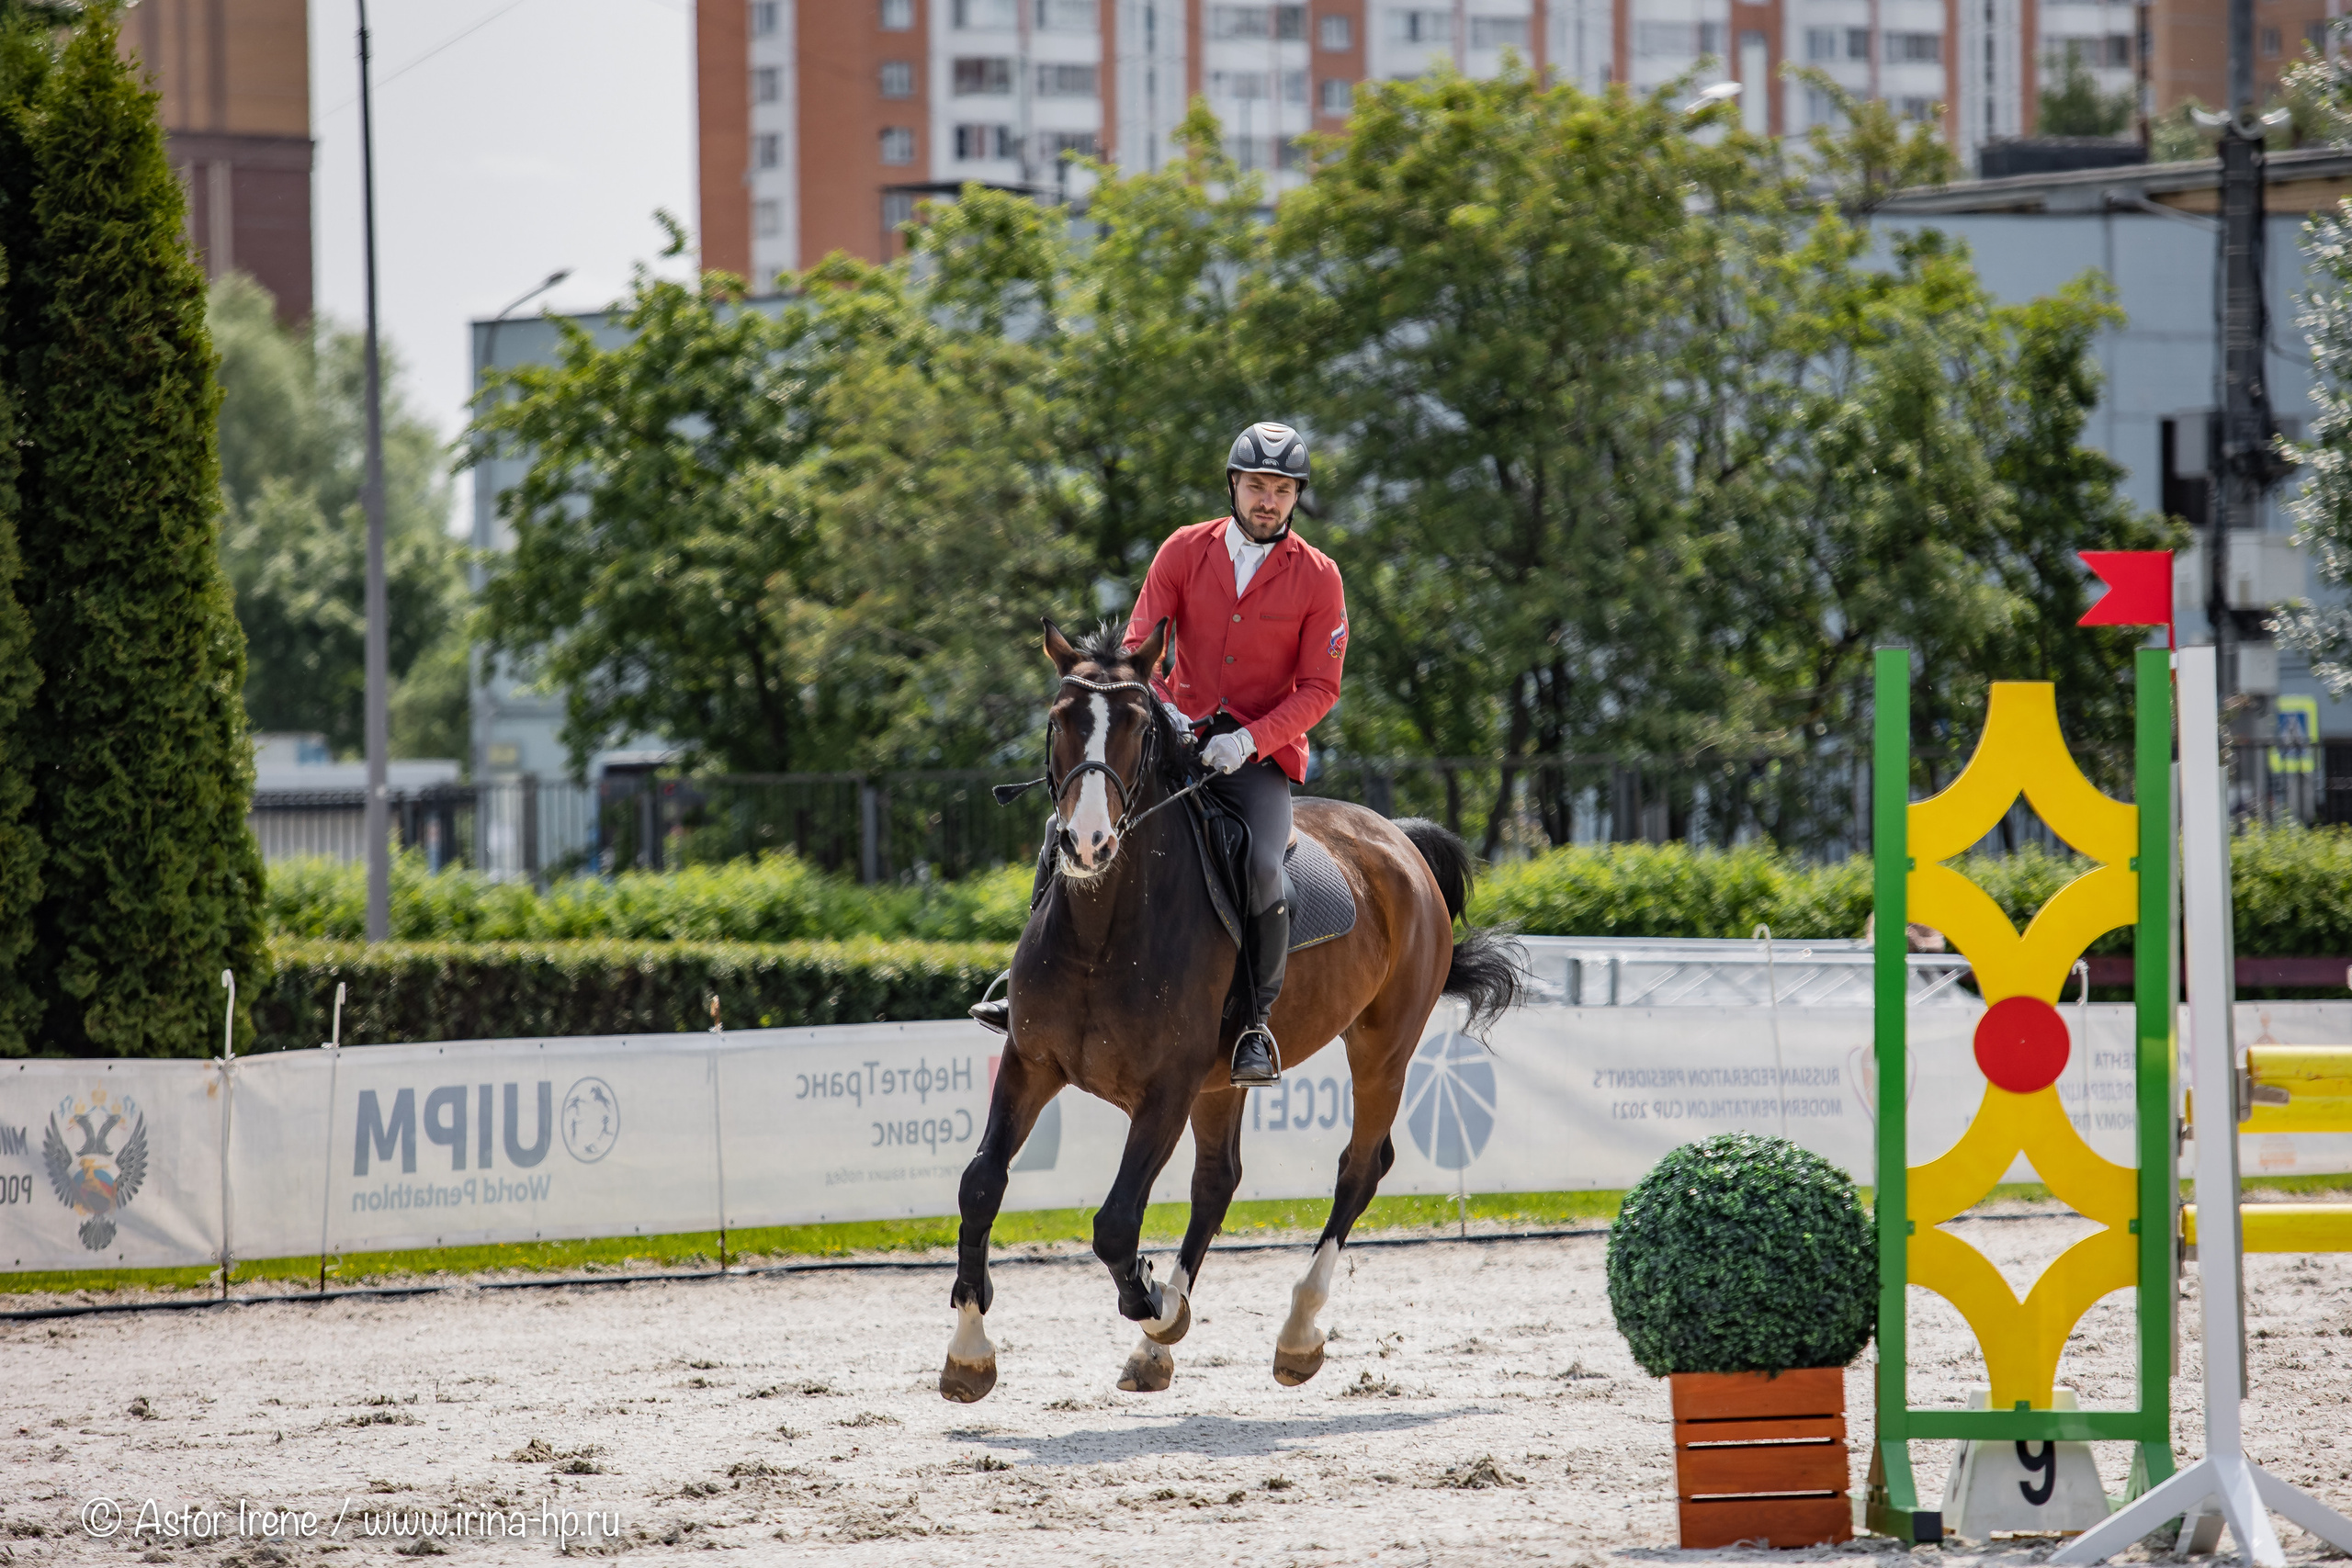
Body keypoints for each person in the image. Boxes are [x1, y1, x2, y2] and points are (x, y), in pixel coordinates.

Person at [972, 421, 1350, 1089]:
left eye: (1282, 489)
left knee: (1265, 865)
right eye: (1257, 485)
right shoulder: (1183, 549)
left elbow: (1321, 687)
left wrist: (1250, 739)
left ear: (1296, 497)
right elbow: (1140, 643)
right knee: (1071, 825)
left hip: (1256, 760)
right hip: (1172, 737)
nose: (1268, 499)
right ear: (1233, 485)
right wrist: (1167, 710)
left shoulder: (1319, 577)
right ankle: (1022, 983)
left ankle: (1256, 1025)